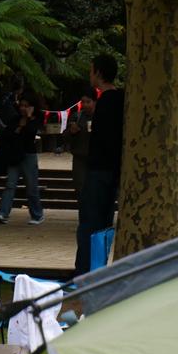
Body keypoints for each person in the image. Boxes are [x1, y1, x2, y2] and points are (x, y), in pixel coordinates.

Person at [75, 54, 124, 276]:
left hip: (100, 171)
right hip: (111, 171)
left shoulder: (106, 102)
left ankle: (85, 270)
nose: (89, 74)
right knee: (102, 223)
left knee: (90, 224)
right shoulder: (119, 99)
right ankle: (96, 268)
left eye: (91, 69)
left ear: (99, 73)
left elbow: (104, 139)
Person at [0, 93, 44, 225]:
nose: (23, 108)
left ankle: (37, 214)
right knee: (10, 184)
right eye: (22, 105)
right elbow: (7, 134)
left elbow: (31, 133)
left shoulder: (37, 118)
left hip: (28, 155)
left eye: (27, 106)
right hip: (14, 155)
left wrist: (29, 119)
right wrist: (19, 126)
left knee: (31, 186)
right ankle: (3, 213)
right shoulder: (15, 119)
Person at [65, 89, 96, 199]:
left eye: (88, 102)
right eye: (83, 102)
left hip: (96, 158)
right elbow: (66, 136)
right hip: (80, 157)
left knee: (95, 188)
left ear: (94, 102)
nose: (85, 105)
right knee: (80, 187)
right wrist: (72, 132)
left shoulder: (100, 116)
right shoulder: (76, 117)